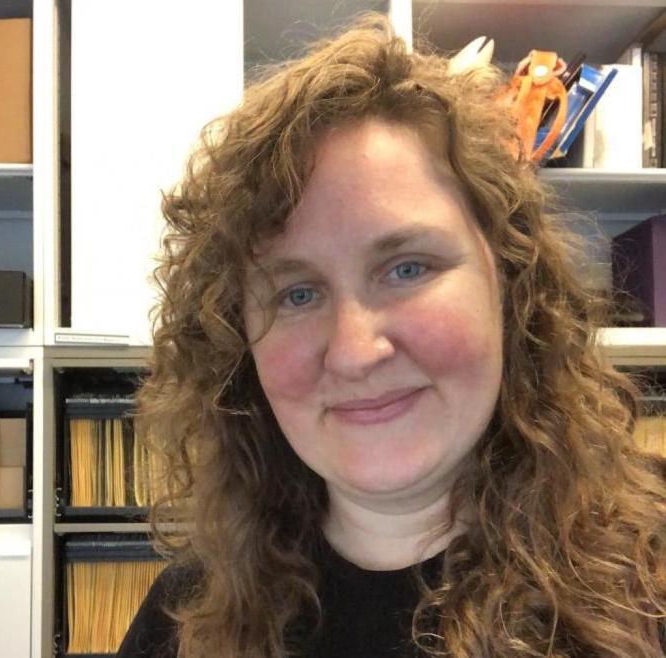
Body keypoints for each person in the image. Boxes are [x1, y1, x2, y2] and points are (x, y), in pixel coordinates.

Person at [118, 15, 666, 658]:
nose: (355, 352)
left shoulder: (649, 583)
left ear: (510, 283)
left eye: (407, 269)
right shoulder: (186, 619)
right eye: (297, 294)